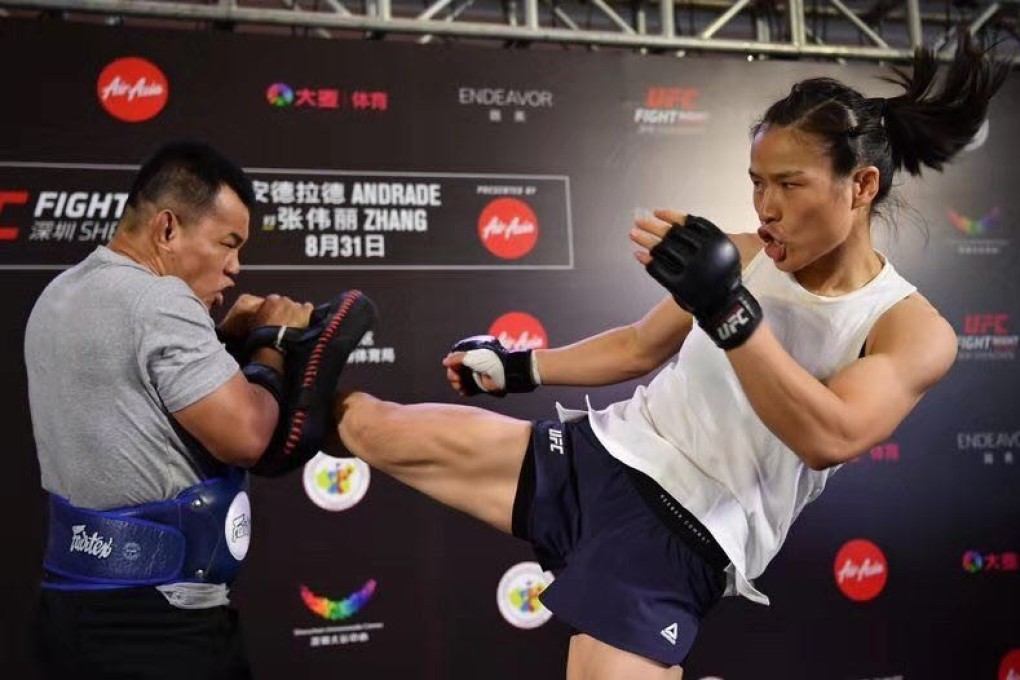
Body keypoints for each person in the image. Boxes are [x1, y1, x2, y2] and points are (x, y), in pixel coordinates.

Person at [330, 33, 1008, 680]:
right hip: (601, 455)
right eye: (757, 183)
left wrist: (728, 314)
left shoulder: (911, 328)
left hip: (685, 526)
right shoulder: (742, 255)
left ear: (859, 188)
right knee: (368, 427)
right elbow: (637, 346)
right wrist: (520, 367)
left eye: (791, 185)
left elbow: (830, 435)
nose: (766, 208)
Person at [25, 141, 374, 678]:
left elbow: (139, 391)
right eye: (228, 243)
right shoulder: (160, 301)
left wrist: (220, 338)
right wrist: (272, 341)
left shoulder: (59, 294)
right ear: (167, 229)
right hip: (157, 628)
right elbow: (247, 436)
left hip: (69, 611)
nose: (236, 267)